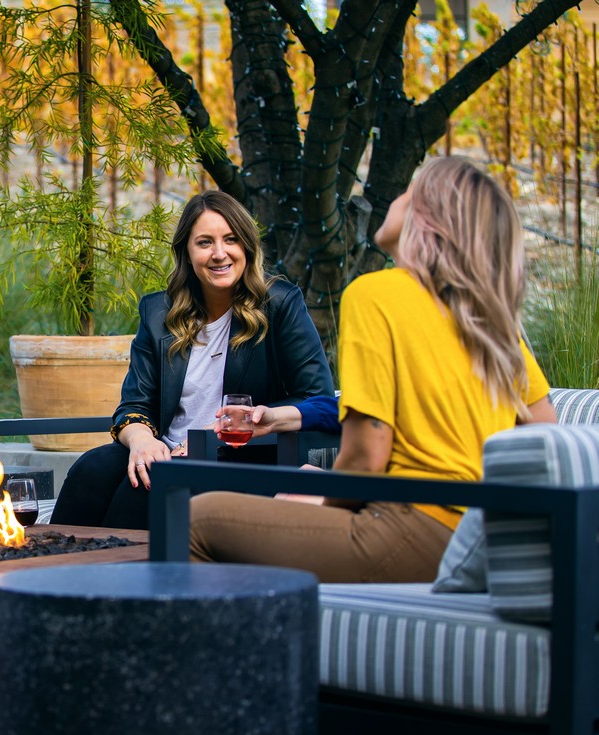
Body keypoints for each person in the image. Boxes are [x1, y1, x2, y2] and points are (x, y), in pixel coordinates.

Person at [189, 156, 558, 582]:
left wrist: (320, 502)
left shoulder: (376, 294)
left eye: (408, 193)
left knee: (194, 519)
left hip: (411, 527)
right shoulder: (487, 318)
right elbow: (544, 432)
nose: (394, 199)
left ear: (427, 217)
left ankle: (253, 649)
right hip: (481, 533)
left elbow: (367, 457)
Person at [50, 190, 335, 530]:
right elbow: (135, 405)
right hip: (166, 451)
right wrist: (142, 441)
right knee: (90, 471)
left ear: (246, 246)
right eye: (204, 242)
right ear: (186, 250)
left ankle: (112, 579)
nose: (219, 254)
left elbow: (318, 397)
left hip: (237, 457)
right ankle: (49, 568)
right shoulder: (159, 313)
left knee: (142, 490)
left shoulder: (280, 305)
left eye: (230, 240)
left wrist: (255, 422)